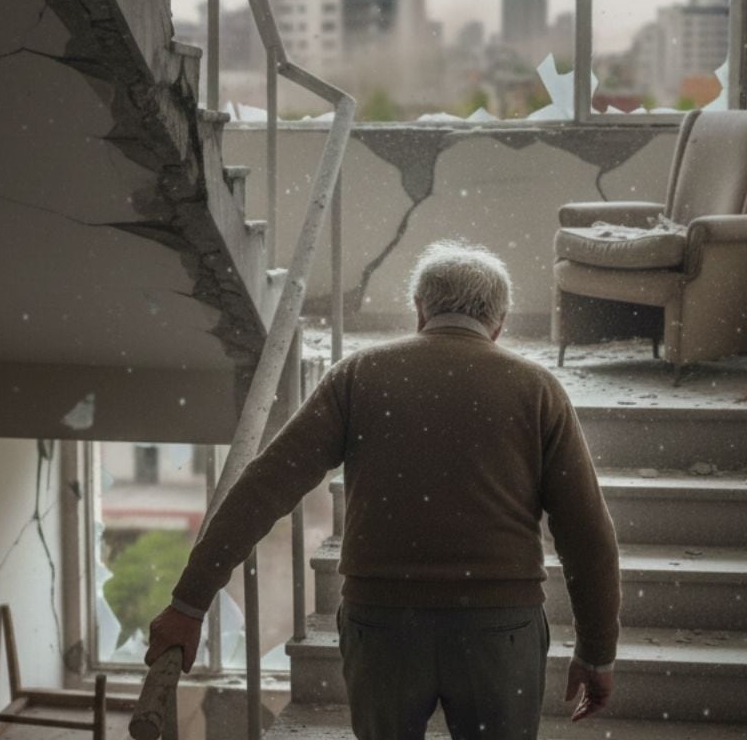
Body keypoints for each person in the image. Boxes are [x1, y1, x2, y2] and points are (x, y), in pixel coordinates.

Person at [145, 239, 621, 738]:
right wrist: (597, 650)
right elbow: (587, 534)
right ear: (499, 323)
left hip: (384, 624)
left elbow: (264, 488)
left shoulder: (358, 376)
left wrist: (189, 603)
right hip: (499, 626)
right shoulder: (537, 389)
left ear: (420, 310)